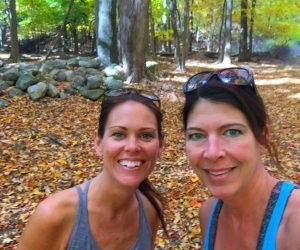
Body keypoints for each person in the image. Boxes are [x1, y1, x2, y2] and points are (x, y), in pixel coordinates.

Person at [18, 88, 167, 250]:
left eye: (146, 136)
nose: (132, 147)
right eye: (118, 134)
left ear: (160, 146)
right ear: (98, 143)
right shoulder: (54, 215)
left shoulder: (150, 209)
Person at [182, 67, 300, 249]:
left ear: (262, 138)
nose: (212, 153)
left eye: (232, 132)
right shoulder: (209, 214)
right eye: (197, 135)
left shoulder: (294, 224)